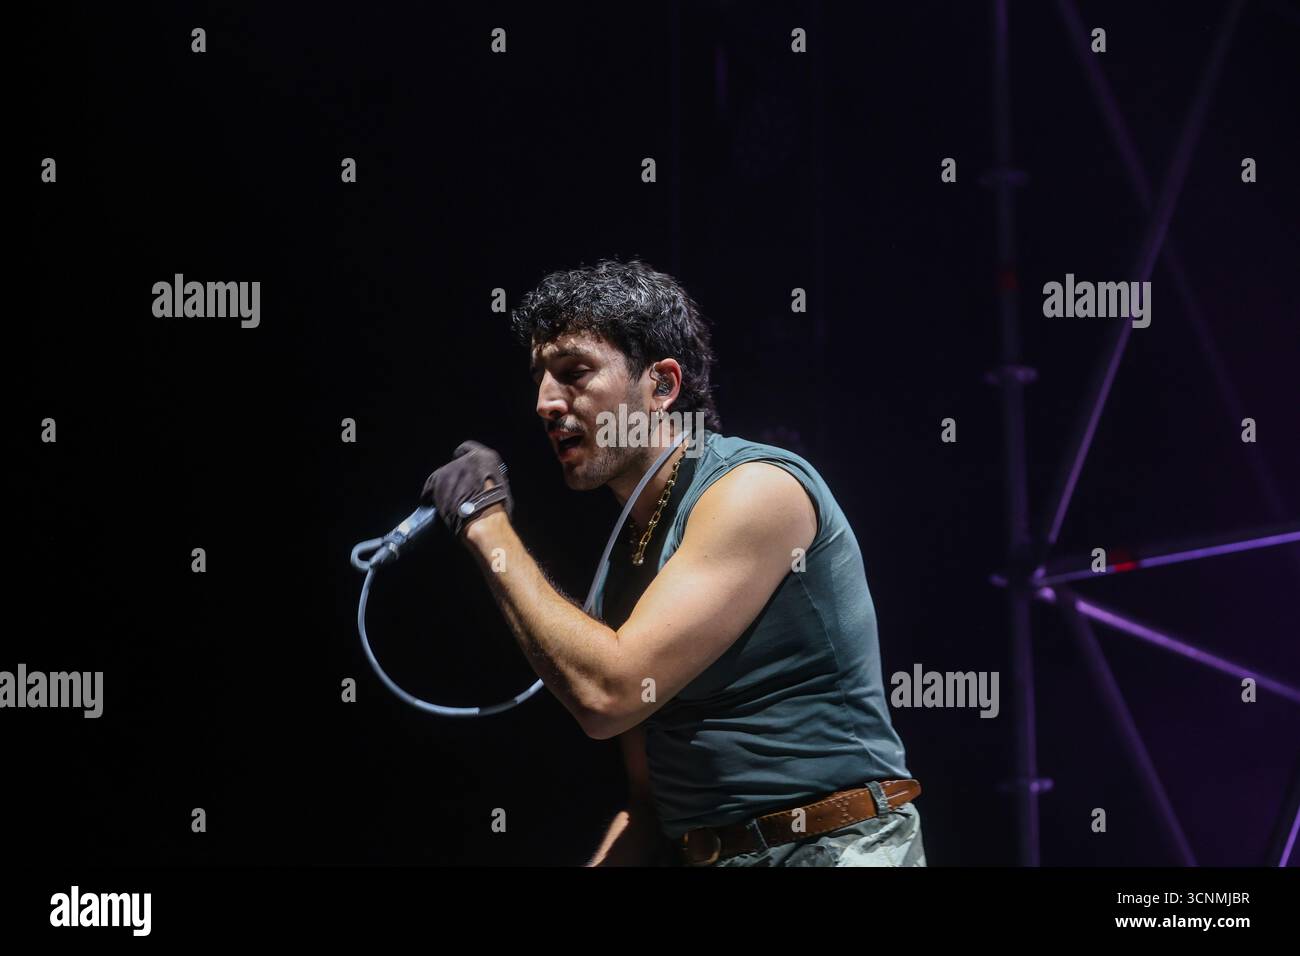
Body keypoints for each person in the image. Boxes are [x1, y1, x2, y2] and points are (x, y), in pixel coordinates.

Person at [421, 259, 925, 866]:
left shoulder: (753, 491)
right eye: (539, 380)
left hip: (833, 847)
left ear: (661, 386)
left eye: (574, 373)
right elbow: (650, 803)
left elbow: (608, 693)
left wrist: (487, 526)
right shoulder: (625, 568)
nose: (545, 403)